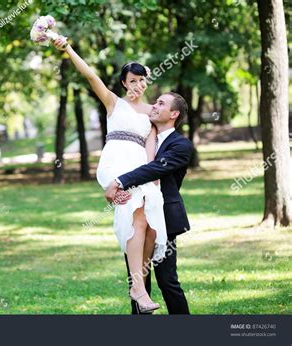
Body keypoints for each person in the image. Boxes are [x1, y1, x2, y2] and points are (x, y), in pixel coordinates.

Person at [53, 36, 167, 313]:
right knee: (136, 219)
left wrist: (155, 182)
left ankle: (138, 286)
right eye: (132, 80)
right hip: (117, 163)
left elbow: (151, 148)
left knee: (149, 226)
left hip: (140, 166)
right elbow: (90, 75)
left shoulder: (151, 112)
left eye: (142, 80)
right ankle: (138, 289)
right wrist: (68, 47)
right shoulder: (114, 103)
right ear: (124, 83)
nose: (138, 85)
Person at [105, 92, 194, 314]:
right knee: (138, 282)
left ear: (174, 114)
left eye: (161, 103)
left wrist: (120, 181)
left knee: (168, 282)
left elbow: (154, 169)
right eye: (155, 102)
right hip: (136, 215)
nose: (154, 106)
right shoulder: (140, 139)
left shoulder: (181, 145)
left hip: (164, 218)